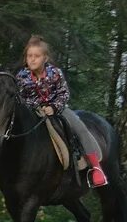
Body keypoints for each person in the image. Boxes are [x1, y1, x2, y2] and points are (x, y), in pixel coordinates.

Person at [15, 35, 107, 187]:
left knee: (80, 127)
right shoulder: (22, 77)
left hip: (57, 110)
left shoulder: (55, 72)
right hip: (33, 111)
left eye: (36, 56)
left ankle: (96, 168)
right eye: (29, 56)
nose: (32, 59)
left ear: (45, 58)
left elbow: (64, 93)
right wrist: (36, 106)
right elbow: (21, 98)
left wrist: (53, 107)